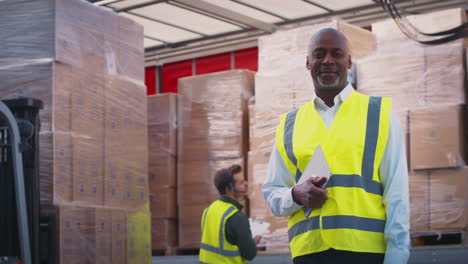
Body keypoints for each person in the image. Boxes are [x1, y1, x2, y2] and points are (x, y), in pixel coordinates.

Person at [262, 28, 410, 264]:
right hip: (309, 253)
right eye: (319, 54)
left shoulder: (379, 114)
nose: (327, 60)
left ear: (348, 61)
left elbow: (397, 193)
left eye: (336, 53)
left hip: (366, 253)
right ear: (308, 62)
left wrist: (397, 256)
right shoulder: (290, 124)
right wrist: (295, 194)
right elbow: (272, 193)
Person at [199, 164, 262, 264]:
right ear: (229, 188)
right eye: (241, 183)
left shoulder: (208, 211)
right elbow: (250, 254)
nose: (246, 184)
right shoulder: (236, 217)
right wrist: (254, 242)